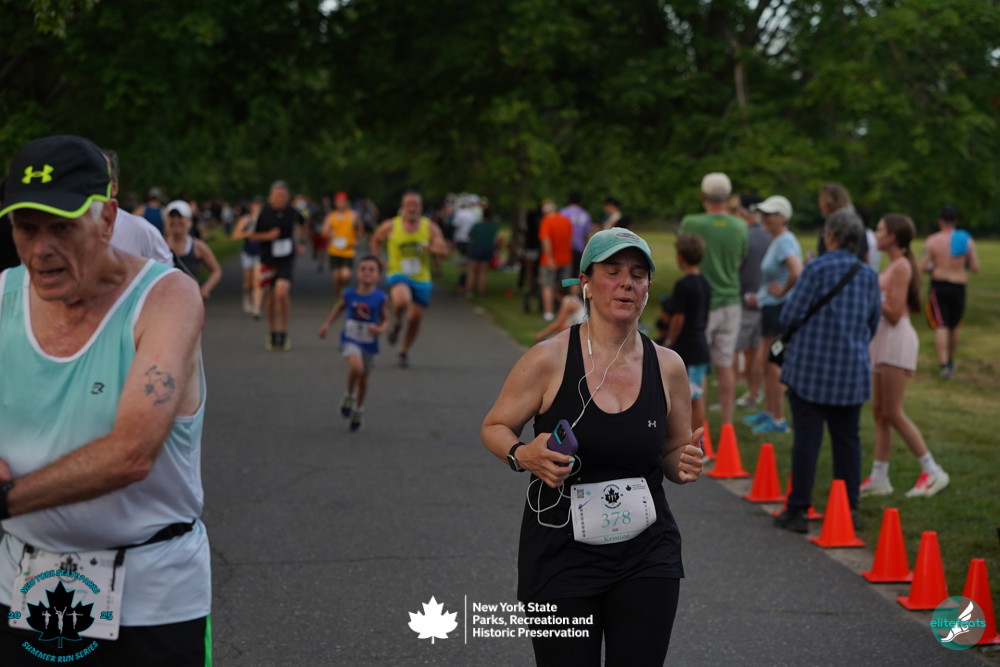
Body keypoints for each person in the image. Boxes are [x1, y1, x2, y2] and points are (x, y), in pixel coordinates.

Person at [0, 135, 210, 664]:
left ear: (108, 218)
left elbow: (131, 454)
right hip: (24, 584)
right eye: (26, 228)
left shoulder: (167, 298)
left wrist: (5, 499)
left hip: (152, 597)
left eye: (62, 227)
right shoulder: (2, 296)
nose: (40, 250)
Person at [481, 228, 703, 666]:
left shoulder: (668, 366)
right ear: (585, 281)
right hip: (560, 555)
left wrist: (684, 462)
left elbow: (672, 452)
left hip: (647, 554)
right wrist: (523, 454)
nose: (627, 283)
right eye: (613, 271)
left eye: (638, 274)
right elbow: (495, 426)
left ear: (648, 287)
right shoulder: (548, 359)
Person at [773, 208, 880, 533]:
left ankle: (798, 509)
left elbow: (790, 315)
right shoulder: (868, 274)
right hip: (851, 372)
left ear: (831, 235)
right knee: (847, 441)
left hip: (810, 369)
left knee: (807, 439)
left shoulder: (816, 268)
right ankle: (849, 510)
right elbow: (872, 323)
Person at [863, 214, 950, 497]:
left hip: (895, 341)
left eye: (880, 230)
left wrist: (870, 295)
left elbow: (894, 311)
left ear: (892, 237)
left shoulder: (901, 266)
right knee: (879, 412)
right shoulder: (894, 264)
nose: (876, 235)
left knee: (893, 412)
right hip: (883, 341)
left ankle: (933, 471)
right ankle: (879, 478)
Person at [679, 172, 748, 427]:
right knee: (725, 365)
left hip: (701, 303)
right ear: (728, 197)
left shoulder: (691, 222)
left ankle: (700, 426)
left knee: (699, 366)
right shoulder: (740, 226)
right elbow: (741, 259)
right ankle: (728, 424)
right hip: (731, 301)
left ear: (703, 196)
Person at [743, 195, 802, 434]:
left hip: (778, 311)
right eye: (763, 214)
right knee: (768, 362)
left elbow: (797, 272)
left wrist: (782, 292)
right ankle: (769, 412)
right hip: (772, 309)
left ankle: (778, 419)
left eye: (769, 214)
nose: (764, 218)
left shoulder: (785, 241)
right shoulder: (778, 239)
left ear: (782, 217)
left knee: (774, 363)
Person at [369, 190, 447, 368]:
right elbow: (376, 239)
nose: (412, 208)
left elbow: (442, 248)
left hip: (421, 277)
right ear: (403, 207)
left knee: (415, 318)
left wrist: (435, 249)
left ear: (421, 208)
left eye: (416, 205)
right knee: (402, 300)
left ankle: (403, 350)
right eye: (409, 205)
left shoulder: (430, 227)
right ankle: (397, 322)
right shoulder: (391, 225)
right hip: (398, 272)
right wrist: (377, 258)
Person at [318, 256, 389, 432]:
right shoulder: (349, 294)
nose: (367, 272)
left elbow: (386, 320)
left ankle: (358, 409)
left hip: (369, 342)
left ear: (378, 275)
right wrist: (327, 324)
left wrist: (380, 330)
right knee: (356, 367)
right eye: (363, 269)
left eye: (371, 269)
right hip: (350, 338)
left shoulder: (380, 297)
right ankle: (349, 395)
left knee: (363, 379)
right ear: (357, 273)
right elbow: (338, 308)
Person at [658, 234, 712, 442]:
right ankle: (697, 439)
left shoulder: (683, 285)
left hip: (688, 347)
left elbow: (679, 317)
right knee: (697, 395)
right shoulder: (705, 283)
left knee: (691, 398)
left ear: (680, 257)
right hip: (700, 344)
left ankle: (696, 441)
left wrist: (670, 340)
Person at [918, 204, 980, 379]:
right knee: (954, 325)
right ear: (956, 221)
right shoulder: (966, 239)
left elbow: (922, 267)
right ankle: (951, 361)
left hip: (940, 285)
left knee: (941, 324)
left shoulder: (933, 240)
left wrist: (934, 267)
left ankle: (944, 365)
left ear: (940, 221)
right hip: (959, 285)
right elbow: (975, 267)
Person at [250, 180, 306, 351]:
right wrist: (268, 236)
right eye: (277, 195)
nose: (281, 198)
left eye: (283, 195)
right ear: (271, 196)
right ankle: (272, 331)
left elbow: (303, 223)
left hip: (286, 259)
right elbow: (254, 236)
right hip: (268, 258)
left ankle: (283, 331)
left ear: (288, 197)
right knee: (271, 296)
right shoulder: (264, 212)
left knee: (282, 291)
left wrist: (301, 242)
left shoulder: (292, 211)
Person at [101, 149, 174, 266]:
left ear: (114, 187)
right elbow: (168, 230)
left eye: (99, 177)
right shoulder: (162, 211)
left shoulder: (142, 214)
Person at [733, 193, 768, 410]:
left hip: (745, 302)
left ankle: (730, 395)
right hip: (766, 301)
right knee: (757, 351)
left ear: (743, 210)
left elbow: (737, 268)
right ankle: (754, 393)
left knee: (734, 351)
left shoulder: (744, 234)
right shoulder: (770, 233)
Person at [164, 200, 222, 300]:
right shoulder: (159, 245)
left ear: (189, 220)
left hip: (190, 301)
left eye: (180, 217)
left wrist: (205, 289)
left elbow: (216, 270)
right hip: (165, 301)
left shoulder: (197, 246)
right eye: (172, 217)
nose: (175, 220)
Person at [537, 200, 574, 322]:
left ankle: (548, 314)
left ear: (544, 211)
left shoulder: (546, 221)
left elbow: (546, 240)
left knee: (547, 285)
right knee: (565, 285)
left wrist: (549, 257)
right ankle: (569, 311)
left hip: (550, 260)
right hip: (566, 258)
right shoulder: (566, 220)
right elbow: (570, 238)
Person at [323, 191, 363, 297]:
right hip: (334, 250)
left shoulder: (353, 215)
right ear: (335, 203)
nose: (341, 204)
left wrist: (357, 239)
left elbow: (359, 228)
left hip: (348, 250)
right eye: (339, 202)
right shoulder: (331, 216)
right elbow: (324, 232)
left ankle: (345, 295)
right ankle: (339, 297)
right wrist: (330, 234)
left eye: (343, 202)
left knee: (346, 275)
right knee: (336, 277)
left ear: (347, 202)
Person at [231, 197, 264, 318]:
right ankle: (247, 297)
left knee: (258, 280)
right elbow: (235, 235)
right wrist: (247, 234)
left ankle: (256, 306)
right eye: (255, 205)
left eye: (259, 205)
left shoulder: (264, 219)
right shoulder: (246, 220)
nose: (257, 207)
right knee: (248, 282)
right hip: (248, 253)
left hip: (260, 254)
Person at [467, 205, 501, 296]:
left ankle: (469, 290)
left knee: (472, 269)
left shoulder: (478, 225)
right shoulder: (494, 226)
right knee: (483, 271)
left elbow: (470, 235)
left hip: (477, 246)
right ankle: (481, 291)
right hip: (488, 247)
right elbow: (498, 239)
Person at [561, 191, 593, 278]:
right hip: (579, 249)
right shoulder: (585, 215)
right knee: (575, 275)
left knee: (563, 277)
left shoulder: (562, 213)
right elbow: (586, 235)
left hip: (563, 249)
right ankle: (574, 286)